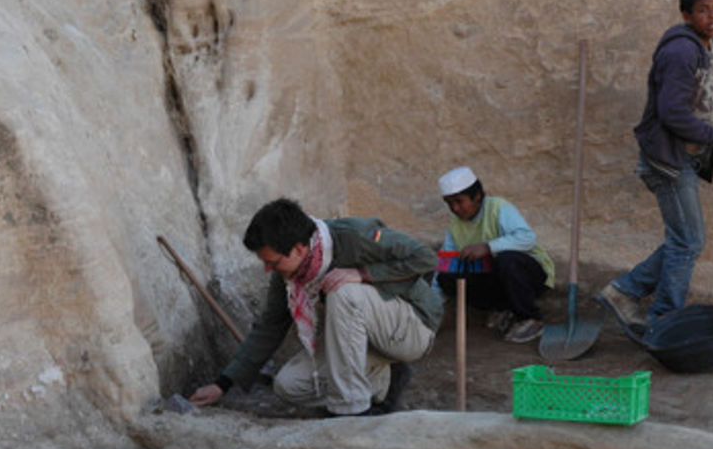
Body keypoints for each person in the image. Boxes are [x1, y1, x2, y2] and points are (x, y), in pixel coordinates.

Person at [189, 198, 442, 417]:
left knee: (343, 290)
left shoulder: (353, 236)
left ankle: (353, 410)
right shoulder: (289, 272)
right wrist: (223, 384)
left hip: (411, 328)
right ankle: (385, 382)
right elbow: (270, 326)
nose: (269, 269)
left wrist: (362, 273)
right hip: (364, 344)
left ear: (298, 249)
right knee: (289, 385)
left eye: (273, 262)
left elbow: (426, 258)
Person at [596, 0, 713, 327]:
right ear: (686, 15)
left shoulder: (709, 48)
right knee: (688, 241)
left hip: (684, 157)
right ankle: (663, 316)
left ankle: (625, 292)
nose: (712, 16)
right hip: (667, 161)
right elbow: (672, 112)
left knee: (687, 240)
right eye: (703, 10)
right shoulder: (681, 51)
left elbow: (702, 105)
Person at [435, 166, 555, 343]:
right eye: (450, 204)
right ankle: (503, 309)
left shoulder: (499, 207)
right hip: (497, 280)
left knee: (507, 260)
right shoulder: (454, 226)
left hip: (528, 275)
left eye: (459, 202)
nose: (455, 208)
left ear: (477, 197)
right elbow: (444, 263)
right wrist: (432, 308)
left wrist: (488, 247)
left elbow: (527, 238)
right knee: (446, 277)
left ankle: (531, 318)